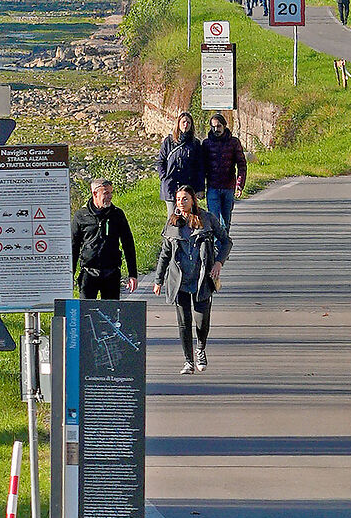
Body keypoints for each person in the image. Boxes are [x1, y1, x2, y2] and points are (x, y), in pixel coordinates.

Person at [154, 186, 229, 374]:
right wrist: (158, 280)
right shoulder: (172, 223)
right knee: (183, 322)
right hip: (178, 280)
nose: (181, 202)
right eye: (178, 199)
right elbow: (165, 254)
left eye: (185, 198)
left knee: (201, 321)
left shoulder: (207, 219)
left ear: (193, 200)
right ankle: (188, 361)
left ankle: (200, 348)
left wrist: (219, 262)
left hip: (201, 278)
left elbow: (226, 241)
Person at [72, 178, 138, 300]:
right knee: (86, 313)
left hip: (111, 272)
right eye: (106, 193)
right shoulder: (81, 215)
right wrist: (69, 274)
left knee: (110, 315)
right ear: (95, 194)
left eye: (111, 193)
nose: (110, 196)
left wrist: (132, 274)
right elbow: (73, 246)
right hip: (88, 272)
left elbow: (128, 244)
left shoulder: (117, 214)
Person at [202, 111, 247, 233]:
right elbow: (202, 167)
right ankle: (216, 249)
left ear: (224, 126)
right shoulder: (206, 144)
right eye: (213, 126)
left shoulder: (233, 142)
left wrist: (239, 184)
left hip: (228, 187)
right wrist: (200, 187)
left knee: (225, 223)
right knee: (214, 220)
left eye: (218, 126)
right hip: (213, 187)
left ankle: (223, 247)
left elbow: (241, 165)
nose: (216, 129)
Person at [158, 111, 207, 211]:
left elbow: (200, 167)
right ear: (178, 123)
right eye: (184, 122)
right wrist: (164, 177)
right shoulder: (168, 141)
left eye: (188, 122)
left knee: (188, 217)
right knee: (173, 218)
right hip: (171, 185)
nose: (186, 125)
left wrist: (200, 188)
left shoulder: (195, 144)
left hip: (188, 186)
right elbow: (160, 162)